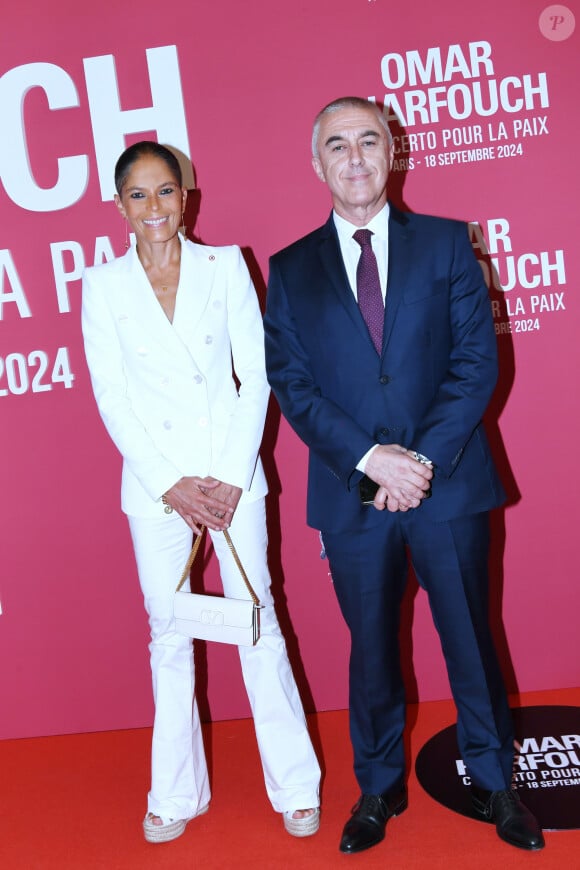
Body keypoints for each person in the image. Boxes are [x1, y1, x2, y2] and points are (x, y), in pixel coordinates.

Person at [264, 97, 544, 855]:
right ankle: (379, 788)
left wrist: (416, 463)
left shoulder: (450, 244)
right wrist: (370, 460)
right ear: (315, 162)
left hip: (447, 485)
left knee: (471, 641)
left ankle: (494, 782)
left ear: (394, 152)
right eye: (337, 146)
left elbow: (475, 364)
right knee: (372, 652)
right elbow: (293, 385)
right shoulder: (289, 270)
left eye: (368, 142)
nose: (354, 158)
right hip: (353, 496)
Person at [81, 141, 320, 844]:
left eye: (166, 192)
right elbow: (111, 396)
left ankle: (296, 786)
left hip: (231, 478)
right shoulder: (102, 286)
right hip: (156, 489)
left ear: (186, 196)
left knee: (257, 622)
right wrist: (170, 483)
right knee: (168, 635)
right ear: (118, 205)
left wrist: (226, 476)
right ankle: (174, 792)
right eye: (139, 195)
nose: (154, 207)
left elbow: (258, 372)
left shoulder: (225, 267)